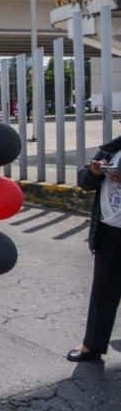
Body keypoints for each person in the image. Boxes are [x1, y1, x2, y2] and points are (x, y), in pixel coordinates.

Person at [66, 134, 121, 363]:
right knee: (103, 290)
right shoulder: (111, 149)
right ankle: (92, 345)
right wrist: (95, 172)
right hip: (110, 230)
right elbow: (84, 179)